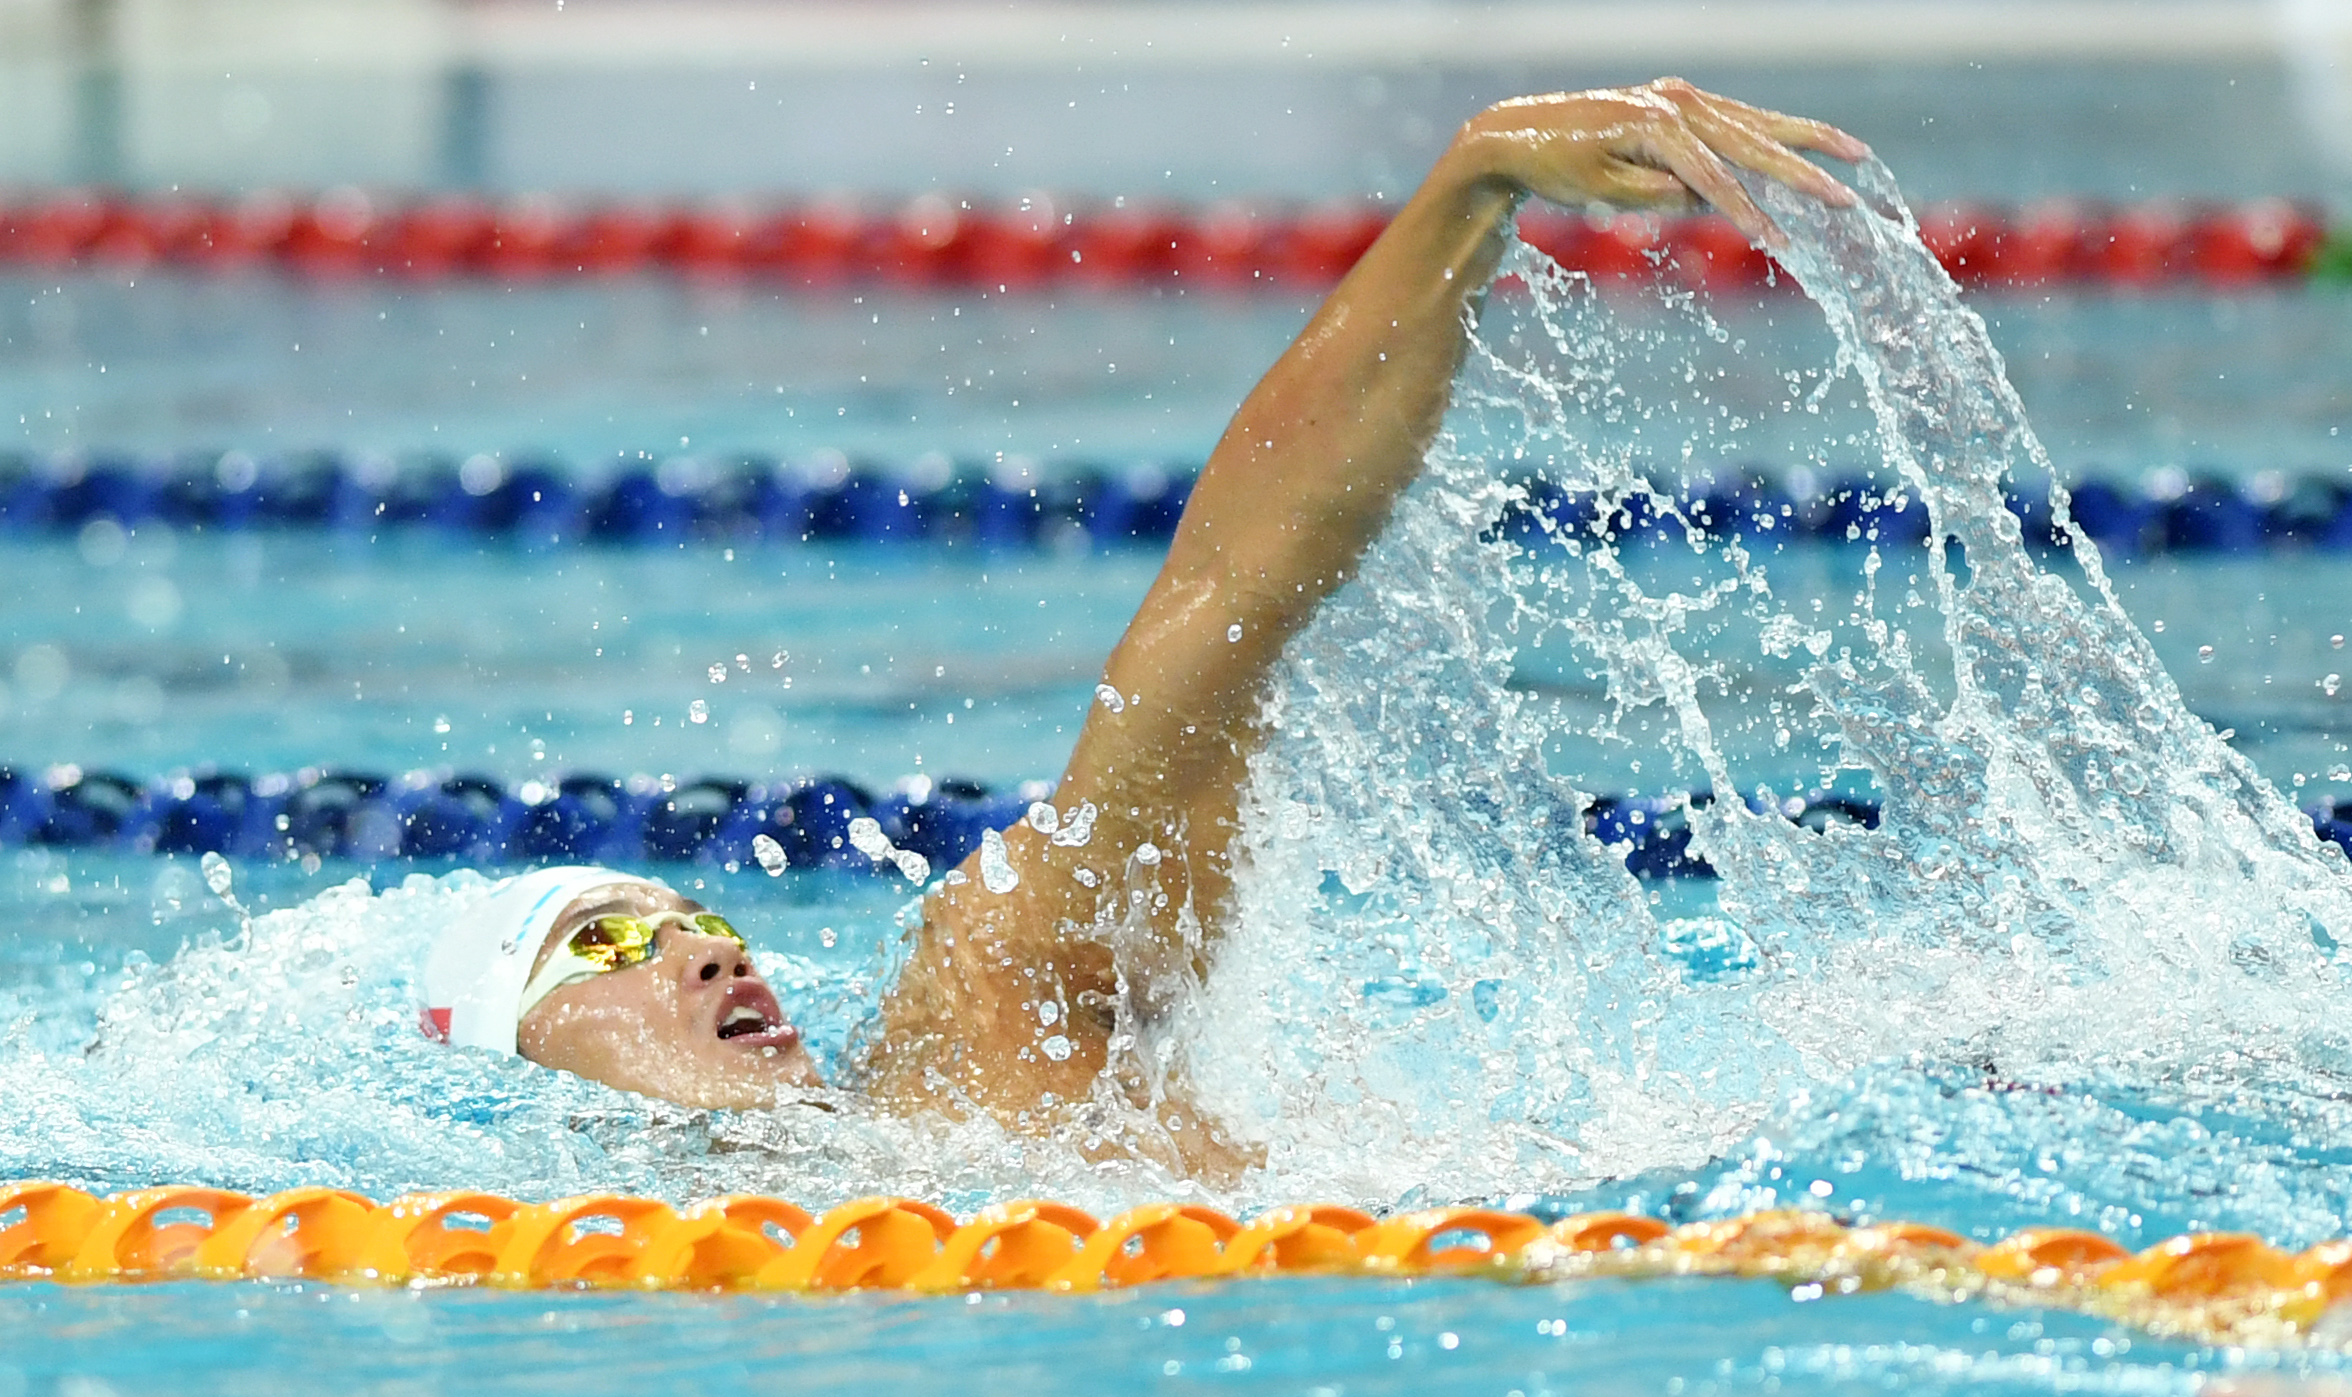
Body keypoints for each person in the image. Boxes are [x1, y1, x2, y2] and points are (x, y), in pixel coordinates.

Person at [422, 82, 1869, 1173]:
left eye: (700, 922)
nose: (719, 956)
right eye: (611, 941)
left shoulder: (987, 1036)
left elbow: (1227, 603)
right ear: (524, 1056)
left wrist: (1471, 185)